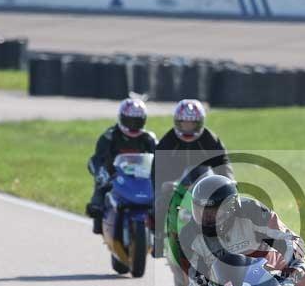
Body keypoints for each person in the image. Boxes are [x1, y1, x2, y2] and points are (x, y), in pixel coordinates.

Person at [153, 99, 234, 256]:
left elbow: (223, 163)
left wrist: (229, 182)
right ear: (177, 122)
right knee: (160, 202)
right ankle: (158, 239)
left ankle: (232, 238)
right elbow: (158, 167)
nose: (188, 127)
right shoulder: (167, 141)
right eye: (184, 123)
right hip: (175, 183)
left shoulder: (210, 138)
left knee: (229, 203)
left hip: (204, 182)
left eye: (192, 124)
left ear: (200, 123)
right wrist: (162, 184)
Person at [85, 98, 157, 234]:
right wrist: (101, 172)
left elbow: (161, 159)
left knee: (160, 197)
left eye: (137, 121)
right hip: (114, 176)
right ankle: (99, 221)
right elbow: (96, 159)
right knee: (99, 194)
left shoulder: (149, 138)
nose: (133, 125)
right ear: (121, 118)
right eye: (129, 121)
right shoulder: (109, 136)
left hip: (141, 177)